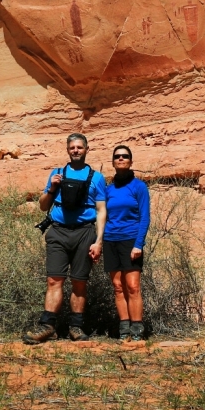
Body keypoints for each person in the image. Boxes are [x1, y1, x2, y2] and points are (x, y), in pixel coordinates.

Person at [23, 133, 107, 344]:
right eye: (72, 148)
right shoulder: (57, 174)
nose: (76, 150)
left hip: (84, 232)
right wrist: (52, 187)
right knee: (54, 280)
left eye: (80, 147)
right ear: (67, 150)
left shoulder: (97, 178)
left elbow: (101, 210)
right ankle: (47, 326)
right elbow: (43, 206)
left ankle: (76, 328)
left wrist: (99, 241)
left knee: (79, 282)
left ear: (87, 149)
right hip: (58, 231)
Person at [103, 145, 150, 341]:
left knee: (132, 286)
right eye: (117, 156)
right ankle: (124, 330)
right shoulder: (108, 189)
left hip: (131, 239)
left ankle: (137, 330)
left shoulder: (139, 187)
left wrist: (138, 244)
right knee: (117, 286)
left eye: (125, 156)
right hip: (110, 239)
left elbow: (144, 217)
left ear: (131, 161)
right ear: (113, 161)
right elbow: (102, 215)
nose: (121, 159)